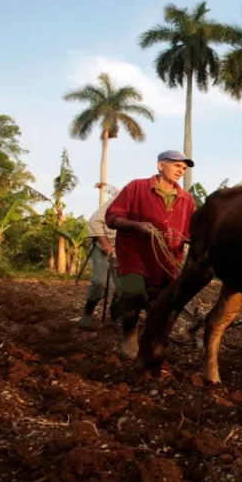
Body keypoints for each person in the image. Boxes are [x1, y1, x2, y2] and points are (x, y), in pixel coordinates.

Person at [105, 150, 197, 357]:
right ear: (160, 165)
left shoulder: (186, 199)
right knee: (134, 292)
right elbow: (112, 218)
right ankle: (129, 333)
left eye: (184, 168)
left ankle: (152, 337)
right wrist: (137, 226)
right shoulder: (136, 187)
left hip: (167, 260)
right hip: (134, 254)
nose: (181, 170)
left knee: (164, 303)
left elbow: (191, 231)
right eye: (176, 165)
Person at [77, 196, 118, 329]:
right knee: (99, 281)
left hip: (122, 251)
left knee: (122, 286)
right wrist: (105, 244)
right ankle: (87, 315)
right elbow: (94, 221)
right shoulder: (114, 202)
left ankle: (115, 315)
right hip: (102, 246)